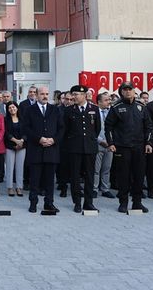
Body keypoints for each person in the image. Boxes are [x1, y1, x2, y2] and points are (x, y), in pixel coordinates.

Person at [104, 81, 153, 214]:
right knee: (123, 176)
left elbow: (148, 127)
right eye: (124, 90)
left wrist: (148, 143)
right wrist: (111, 143)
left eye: (129, 89)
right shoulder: (116, 107)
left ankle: (137, 202)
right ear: (121, 92)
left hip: (139, 147)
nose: (127, 92)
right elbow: (108, 126)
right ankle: (123, 202)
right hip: (122, 147)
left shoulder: (141, 107)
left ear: (134, 91)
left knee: (139, 176)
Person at [22, 85, 63, 213]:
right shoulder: (29, 110)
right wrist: (38, 138)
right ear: (36, 95)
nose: (45, 96)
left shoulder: (55, 110)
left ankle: (49, 203)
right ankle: (33, 203)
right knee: (34, 179)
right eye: (42, 94)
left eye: (46, 94)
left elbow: (61, 128)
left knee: (50, 180)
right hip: (36, 150)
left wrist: (54, 139)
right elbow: (26, 128)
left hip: (51, 150)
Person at [63, 85, 100, 213]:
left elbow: (97, 128)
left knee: (90, 176)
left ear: (84, 95)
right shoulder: (68, 110)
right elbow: (66, 129)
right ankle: (77, 202)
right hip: (74, 148)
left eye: (76, 94)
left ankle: (88, 202)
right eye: (72, 94)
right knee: (75, 176)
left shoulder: (94, 109)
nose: (73, 97)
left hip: (90, 147)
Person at [92, 92, 115, 199]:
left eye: (109, 100)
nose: (109, 102)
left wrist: (111, 142)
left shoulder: (112, 112)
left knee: (107, 168)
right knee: (96, 169)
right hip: (98, 143)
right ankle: (94, 189)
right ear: (99, 102)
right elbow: (91, 130)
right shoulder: (93, 112)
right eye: (106, 100)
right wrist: (100, 140)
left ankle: (105, 189)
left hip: (110, 144)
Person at [3, 101, 25, 197]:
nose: (12, 109)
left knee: (20, 167)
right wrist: (16, 141)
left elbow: (26, 131)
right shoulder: (5, 120)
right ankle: (10, 187)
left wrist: (22, 141)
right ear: (8, 110)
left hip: (22, 146)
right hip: (10, 146)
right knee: (10, 167)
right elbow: (6, 133)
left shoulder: (23, 119)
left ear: (17, 108)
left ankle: (19, 187)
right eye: (10, 108)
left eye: (14, 107)